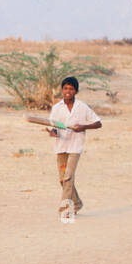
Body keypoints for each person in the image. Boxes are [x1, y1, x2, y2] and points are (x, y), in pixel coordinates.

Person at [46, 76, 102, 217]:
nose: (68, 91)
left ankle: (66, 208)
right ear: (62, 90)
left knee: (68, 177)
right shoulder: (57, 108)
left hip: (75, 147)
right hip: (61, 147)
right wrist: (53, 132)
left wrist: (83, 127)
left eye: (71, 89)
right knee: (62, 179)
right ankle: (76, 203)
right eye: (65, 88)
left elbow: (98, 123)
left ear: (76, 91)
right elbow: (53, 127)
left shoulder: (82, 107)